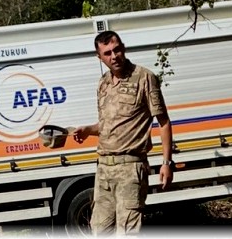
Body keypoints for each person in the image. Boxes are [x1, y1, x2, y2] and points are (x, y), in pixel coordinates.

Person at [71, 31, 174, 235]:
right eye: (107, 53)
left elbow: (164, 122)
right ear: (99, 57)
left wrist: (166, 163)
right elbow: (108, 124)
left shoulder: (144, 77)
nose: (114, 56)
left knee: (126, 233)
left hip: (130, 168)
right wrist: (88, 130)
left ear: (123, 48)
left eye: (117, 50)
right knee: (100, 231)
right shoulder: (103, 83)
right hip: (104, 170)